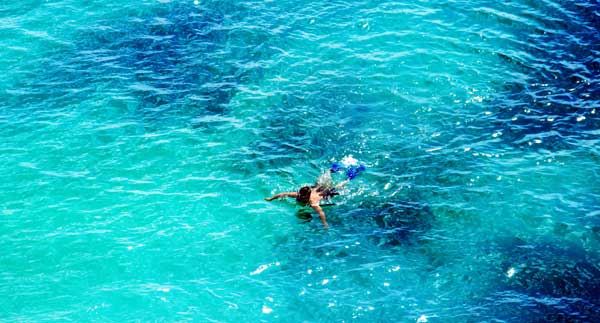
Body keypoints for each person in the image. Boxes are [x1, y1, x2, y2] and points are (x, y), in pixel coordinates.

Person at [264, 172, 349, 228]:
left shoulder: (312, 202)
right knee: (318, 183)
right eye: (299, 194)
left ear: (306, 196)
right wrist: (270, 199)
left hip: (323, 194)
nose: (299, 196)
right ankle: (330, 171)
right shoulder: (298, 194)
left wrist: (324, 223)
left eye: (301, 195)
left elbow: (320, 212)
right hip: (316, 190)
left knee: (334, 188)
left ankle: (347, 179)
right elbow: (282, 194)